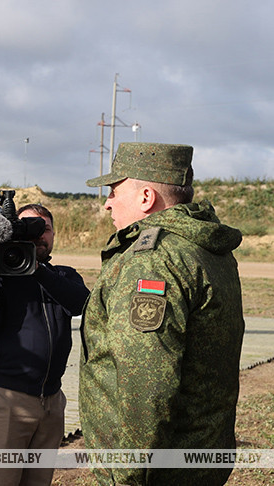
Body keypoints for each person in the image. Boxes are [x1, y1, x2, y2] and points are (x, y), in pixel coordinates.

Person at [80, 142, 244, 485]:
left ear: (145, 197)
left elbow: (148, 381)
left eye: (113, 191)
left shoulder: (153, 260)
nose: (107, 203)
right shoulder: (205, 247)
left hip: (158, 473)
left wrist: (128, 473)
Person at [0, 203, 90, 485]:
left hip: (52, 401)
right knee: (5, 479)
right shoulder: (0, 277)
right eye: (28, 228)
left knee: (39, 480)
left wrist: (37, 270)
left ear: (53, 236)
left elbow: (80, 303)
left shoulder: (64, 275)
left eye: (44, 229)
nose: (39, 235)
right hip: (8, 396)